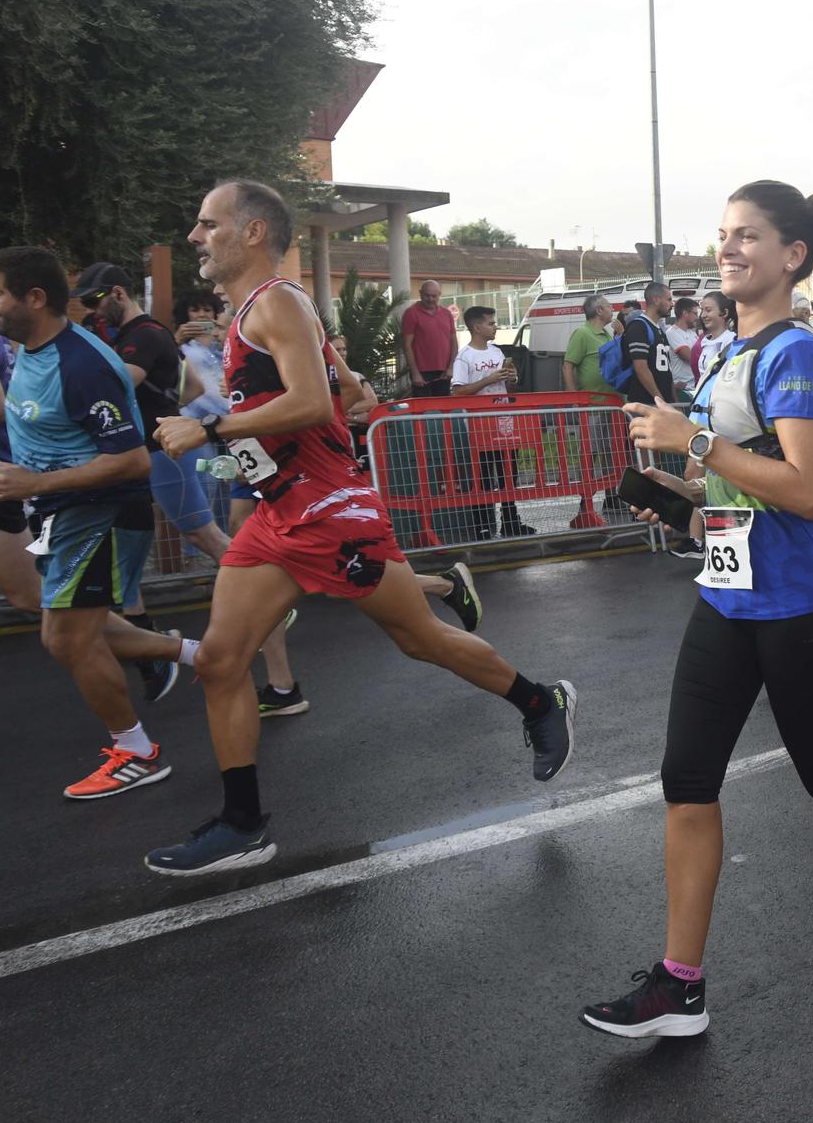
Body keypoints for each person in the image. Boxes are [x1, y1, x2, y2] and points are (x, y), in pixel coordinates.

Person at [581, 180, 813, 1039]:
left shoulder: (794, 354)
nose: (727, 247)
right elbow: (734, 487)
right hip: (726, 598)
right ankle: (679, 986)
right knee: (687, 780)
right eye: (722, 234)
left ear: (794, 255)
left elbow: (807, 491)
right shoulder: (726, 352)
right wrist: (678, 493)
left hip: (800, 606)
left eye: (747, 235)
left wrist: (696, 442)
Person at [142, 180, 573, 875]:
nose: (195, 236)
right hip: (279, 512)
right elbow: (351, 391)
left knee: (419, 639)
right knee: (221, 661)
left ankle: (540, 700)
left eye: (207, 223)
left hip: (330, 513)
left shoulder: (278, 302)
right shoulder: (261, 312)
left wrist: (215, 423)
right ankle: (242, 822)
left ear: (253, 232)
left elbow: (315, 403)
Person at [0, 246, 197, 794]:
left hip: (100, 513)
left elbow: (132, 458)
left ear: (35, 298)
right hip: (63, 513)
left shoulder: (81, 364)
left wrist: (35, 483)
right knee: (72, 630)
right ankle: (198, 654)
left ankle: (136, 751)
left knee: (68, 639)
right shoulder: (30, 349)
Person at [75, 262, 294, 702]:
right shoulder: (138, 336)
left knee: (204, 533)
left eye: (97, 301)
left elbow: (118, 390)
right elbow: (191, 388)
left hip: (162, 455)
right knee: (128, 555)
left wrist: (159, 417)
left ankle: (270, 601)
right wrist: (164, 408)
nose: (93, 311)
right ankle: (147, 649)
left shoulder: (145, 334)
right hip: (145, 454)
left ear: (119, 293)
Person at [450, 304, 534, 540]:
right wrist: (489, 380)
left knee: (509, 472)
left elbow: (509, 385)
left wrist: (511, 377)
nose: (495, 327)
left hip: (504, 420)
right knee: (484, 475)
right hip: (480, 423)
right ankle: (483, 524)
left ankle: (511, 520)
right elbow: (458, 392)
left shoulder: (497, 352)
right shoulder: (464, 357)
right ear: (477, 327)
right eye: (490, 323)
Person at [620, 282, 675, 405]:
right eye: (669, 299)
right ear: (656, 300)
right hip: (646, 404)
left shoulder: (659, 329)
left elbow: (667, 371)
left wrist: (674, 402)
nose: (672, 304)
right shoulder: (638, 327)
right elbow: (641, 368)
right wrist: (660, 401)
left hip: (662, 404)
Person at [401, 279, 457, 398]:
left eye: (434, 296)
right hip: (422, 372)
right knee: (423, 409)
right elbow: (407, 345)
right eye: (427, 295)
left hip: (444, 371)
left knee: (443, 407)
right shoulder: (411, 313)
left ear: (439, 295)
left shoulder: (447, 314)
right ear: (420, 293)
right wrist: (415, 373)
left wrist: (451, 367)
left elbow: (453, 342)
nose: (430, 299)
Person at [561, 294, 616, 394]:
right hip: (591, 404)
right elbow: (567, 367)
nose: (613, 309)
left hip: (610, 402)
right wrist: (574, 399)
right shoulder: (582, 333)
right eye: (609, 306)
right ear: (599, 310)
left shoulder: (606, 334)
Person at [691, 290, 735, 390]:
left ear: (724, 313)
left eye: (708, 310)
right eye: (702, 310)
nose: (703, 315)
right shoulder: (705, 341)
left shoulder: (731, 340)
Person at [666, 295, 701, 403]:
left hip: (695, 387)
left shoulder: (692, 333)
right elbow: (689, 357)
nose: (697, 317)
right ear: (685, 313)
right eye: (695, 313)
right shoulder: (672, 332)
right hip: (683, 388)